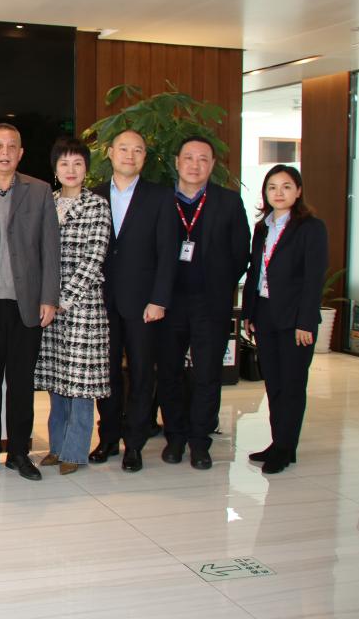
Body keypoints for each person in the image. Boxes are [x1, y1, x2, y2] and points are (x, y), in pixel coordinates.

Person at [0, 124, 60, 481]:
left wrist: (49, 297)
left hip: (26, 304)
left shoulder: (40, 190)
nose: (5, 152)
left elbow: (50, 247)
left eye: (12, 146)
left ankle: (19, 453)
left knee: (21, 384)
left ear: (21, 153)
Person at [157, 136, 250, 470]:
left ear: (212, 165)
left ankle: (199, 441)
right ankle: (175, 437)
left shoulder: (228, 202)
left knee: (207, 374)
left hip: (210, 303)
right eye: (188, 157)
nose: (195, 165)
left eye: (202, 159)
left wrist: (217, 285)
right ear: (177, 162)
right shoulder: (161, 200)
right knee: (168, 372)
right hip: (167, 303)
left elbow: (240, 253)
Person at [90, 128, 178, 472]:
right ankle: (108, 438)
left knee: (141, 374)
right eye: (123, 149)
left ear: (145, 157)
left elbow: (168, 253)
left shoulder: (160, 197)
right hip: (101, 301)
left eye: (138, 150)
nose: (130, 155)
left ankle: (135, 444)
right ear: (110, 153)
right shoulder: (94, 195)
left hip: (143, 304)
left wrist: (159, 299)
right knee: (106, 374)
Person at [242, 165, 327, 474]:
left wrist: (306, 321)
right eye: (272, 187)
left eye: (286, 186)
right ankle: (279, 443)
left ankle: (285, 448)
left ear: (298, 191)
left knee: (291, 385)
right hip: (265, 315)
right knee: (274, 384)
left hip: (294, 320)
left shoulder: (310, 228)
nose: (279, 193)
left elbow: (314, 277)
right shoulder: (262, 228)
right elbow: (255, 271)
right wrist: (249, 313)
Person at [36, 137, 111, 475]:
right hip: (49, 306)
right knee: (57, 379)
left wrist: (64, 299)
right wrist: (47, 299)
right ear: (55, 169)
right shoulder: (47, 202)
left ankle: (75, 451)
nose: (71, 169)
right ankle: (56, 447)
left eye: (78, 163)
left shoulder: (97, 205)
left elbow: (94, 258)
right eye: (64, 163)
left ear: (86, 169)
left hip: (82, 307)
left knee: (81, 383)